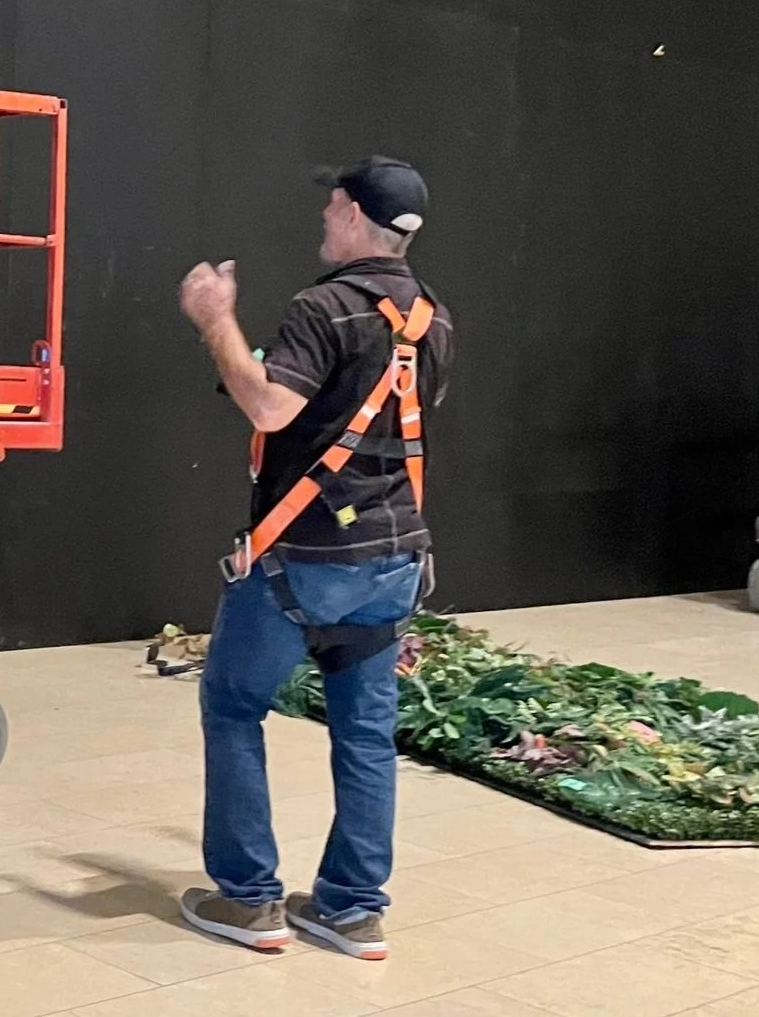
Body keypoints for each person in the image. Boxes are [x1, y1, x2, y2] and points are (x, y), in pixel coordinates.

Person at [175, 156, 453, 961]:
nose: (323, 219)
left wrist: (214, 319)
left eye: (333, 206)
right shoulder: (434, 316)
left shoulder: (323, 308)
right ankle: (350, 909)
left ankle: (249, 897)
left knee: (232, 708)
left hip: (305, 558)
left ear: (360, 216)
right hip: (393, 556)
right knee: (364, 735)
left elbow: (268, 403)